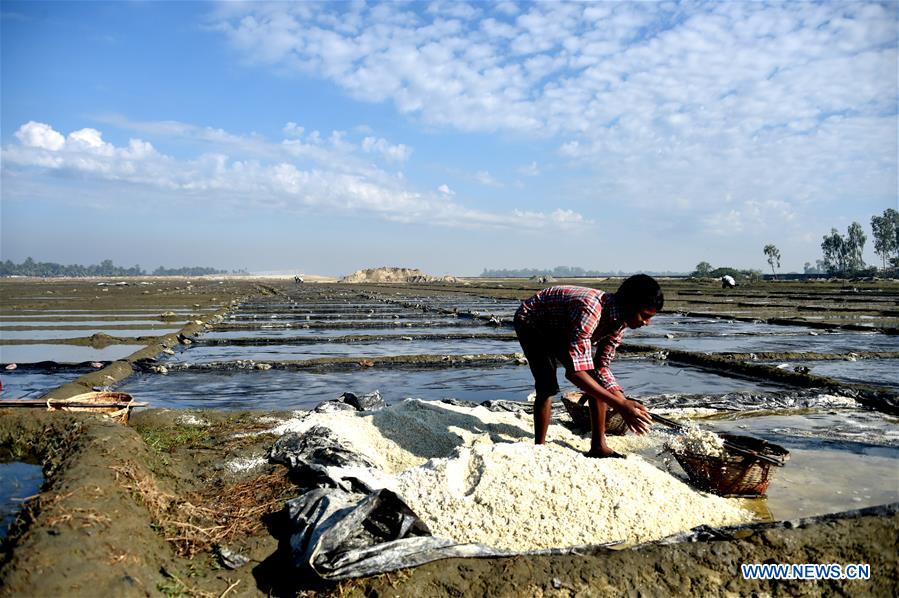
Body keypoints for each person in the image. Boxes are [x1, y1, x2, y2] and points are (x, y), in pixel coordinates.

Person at [513, 275, 663, 458]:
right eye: (645, 316)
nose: (646, 323)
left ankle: (598, 446)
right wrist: (621, 405)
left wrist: (621, 399)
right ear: (630, 305)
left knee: (595, 379)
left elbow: (602, 366)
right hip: (533, 321)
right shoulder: (591, 309)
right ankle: (539, 448)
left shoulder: (620, 321)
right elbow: (575, 373)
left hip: (562, 325)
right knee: (547, 385)